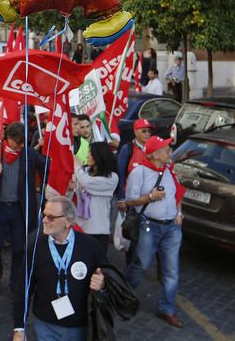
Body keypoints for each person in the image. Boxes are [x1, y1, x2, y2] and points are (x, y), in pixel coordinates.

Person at [12, 197, 106, 341]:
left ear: (68, 221)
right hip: (46, 325)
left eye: (51, 217)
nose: (44, 220)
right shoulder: (35, 246)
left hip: (80, 326)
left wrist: (103, 283)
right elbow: (23, 288)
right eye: (44, 215)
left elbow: (110, 278)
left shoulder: (90, 246)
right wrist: (19, 329)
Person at [124, 136, 185, 328]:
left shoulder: (169, 169)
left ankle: (166, 309)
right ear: (155, 154)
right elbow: (130, 201)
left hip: (172, 228)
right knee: (141, 265)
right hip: (150, 225)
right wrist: (151, 197)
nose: (170, 153)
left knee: (171, 271)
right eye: (166, 150)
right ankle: (122, 296)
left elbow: (178, 193)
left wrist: (179, 213)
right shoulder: (139, 172)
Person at [0, 122, 46, 294]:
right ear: (8, 139)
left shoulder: (29, 154)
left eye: (23, 142)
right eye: (18, 142)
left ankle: (15, 281)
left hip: (19, 209)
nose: (21, 146)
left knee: (19, 248)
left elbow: (46, 167)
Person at [74, 142, 119, 251]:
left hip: (99, 229)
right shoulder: (84, 173)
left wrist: (77, 167)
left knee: (97, 265)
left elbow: (88, 183)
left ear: (99, 156)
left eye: (90, 153)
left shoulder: (112, 177)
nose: (87, 156)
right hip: (80, 226)